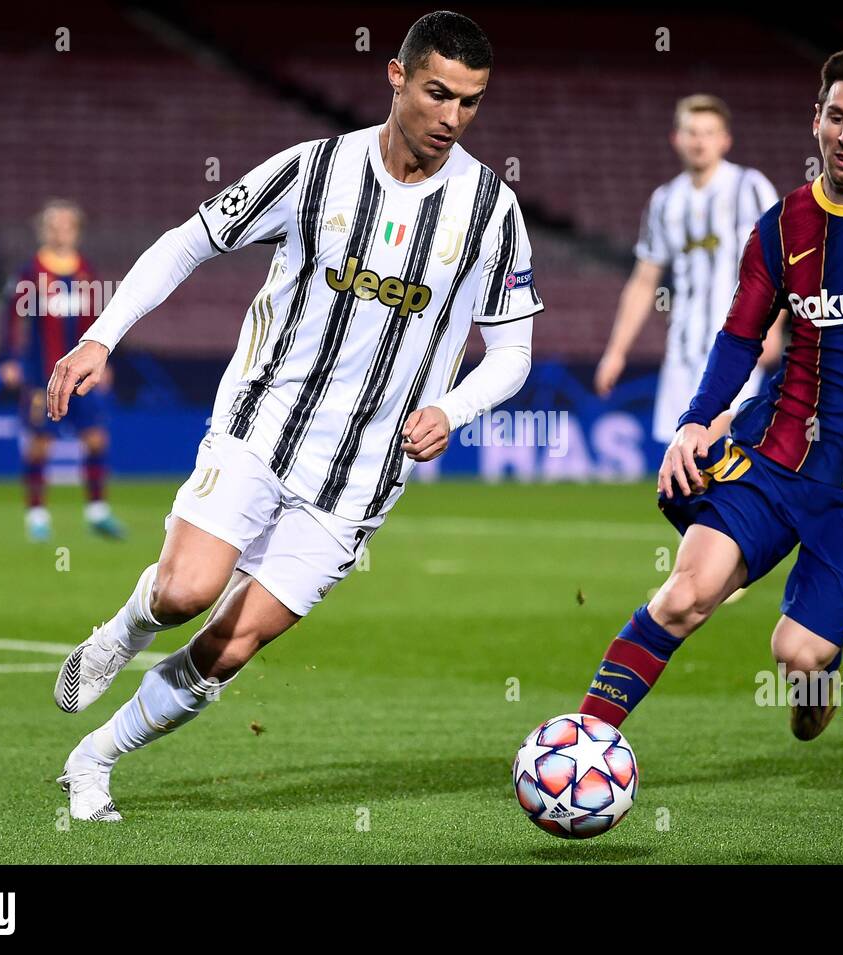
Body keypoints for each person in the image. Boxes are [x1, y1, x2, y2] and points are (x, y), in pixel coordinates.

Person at [48, 11, 542, 821]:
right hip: (264, 421)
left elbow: (515, 353)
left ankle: (94, 757)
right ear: (396, 76)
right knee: (185, 593)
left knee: (227, 646)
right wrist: (101, 336)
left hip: (363, 472)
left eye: (472, 103)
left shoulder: (491, 211)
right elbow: (188, 241)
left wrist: (454, 407)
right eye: (438, 93)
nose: (452, 119)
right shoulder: (314, 170)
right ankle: (124, 629)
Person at [577, 47, 843, 741]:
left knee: (797, 651)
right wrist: (698, 420)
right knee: (683, 595)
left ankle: (820, 666)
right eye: (837, 117)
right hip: (778, 449)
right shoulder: (781, 226)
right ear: (816, 120)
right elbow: (740, 338)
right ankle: (581, 743)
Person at [594, 94, 784, 442]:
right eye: (692, 132)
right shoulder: (665, 200)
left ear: (725, 140)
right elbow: (643, 281)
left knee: (722, 449)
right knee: (680, 459)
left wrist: (773, 327)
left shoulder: (749, 187)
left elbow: (781, 260)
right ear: (676, 139)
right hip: (682, 347)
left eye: (709, 132)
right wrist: (616, 352)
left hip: (740, 344)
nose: (700, 141)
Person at [0, 200, 124, 541]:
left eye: (66, 225)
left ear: (76, 230)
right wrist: (10, 358)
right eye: (53, 224)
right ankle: (37, 516)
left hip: (82, 371)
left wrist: (105, 359)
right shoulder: (30, 272)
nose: (60, 231)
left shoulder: (86, 270)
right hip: (43, 372)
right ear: (43, 229)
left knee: (96, 438)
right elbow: (12, 318)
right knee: (40, 443)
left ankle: (97, 511)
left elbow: (100, 321)